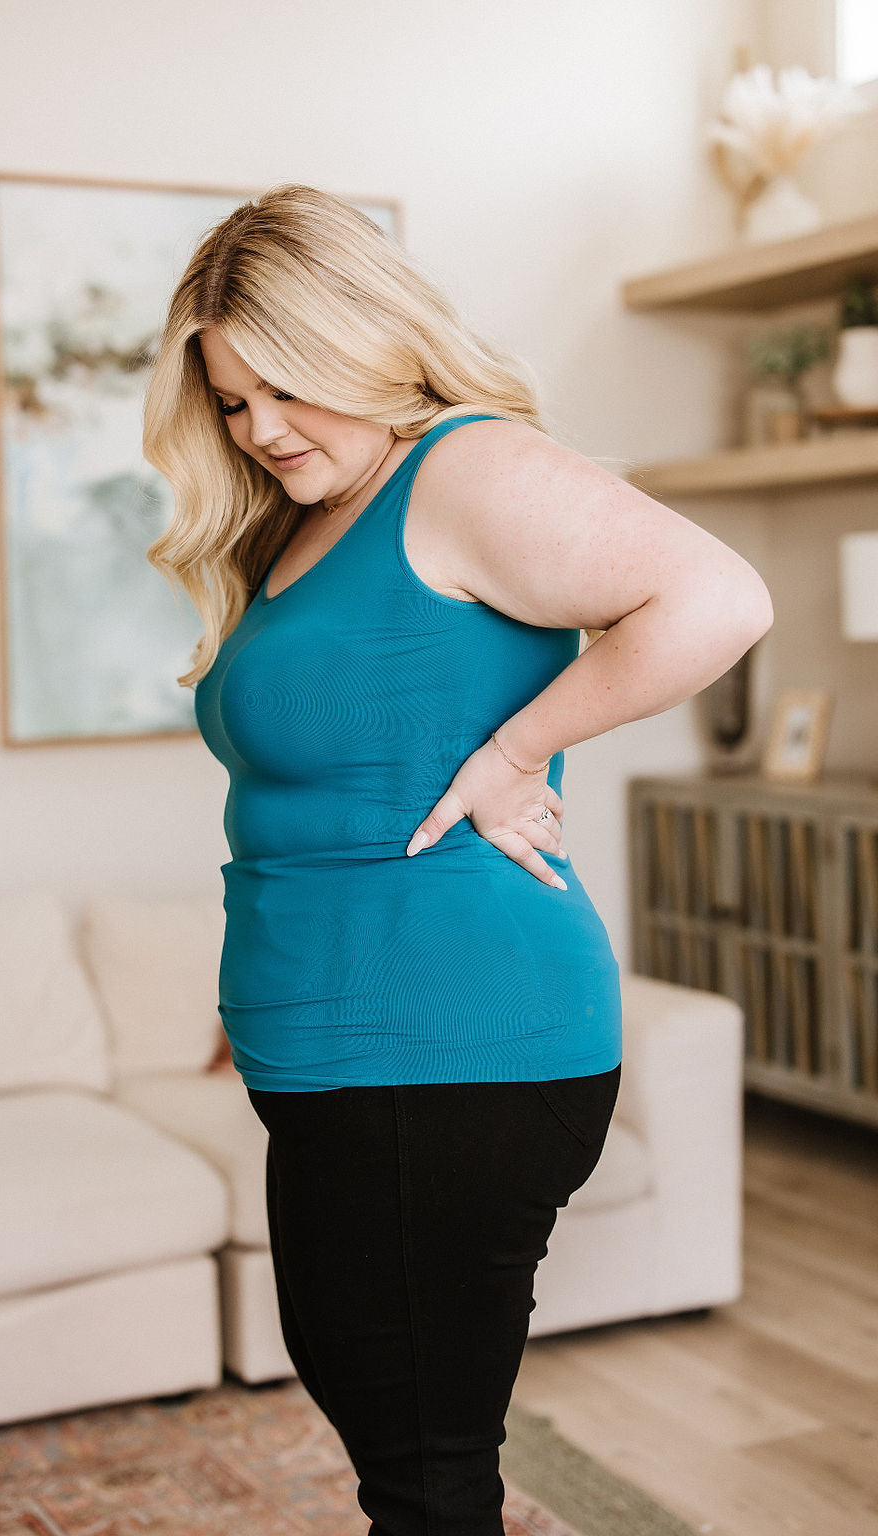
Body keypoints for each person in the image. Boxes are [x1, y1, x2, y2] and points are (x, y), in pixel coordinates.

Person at [142, 183, 773, 1536]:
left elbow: (720, 597)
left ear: (368, 342)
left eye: (287, 387)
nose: (260, 429)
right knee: (378, 1410)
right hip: (341, 1049)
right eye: (233, 401)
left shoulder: (464, 468)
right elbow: (317, 800)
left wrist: (518, 750)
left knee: (426, 1474)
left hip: (451, 1041)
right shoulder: (309, 514)